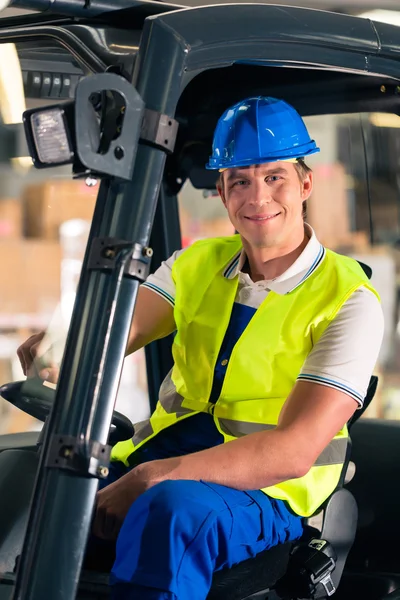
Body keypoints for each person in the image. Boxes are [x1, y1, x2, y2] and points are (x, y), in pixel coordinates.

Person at [18, 96, 384, 600]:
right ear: (221, 191)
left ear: (305, 183)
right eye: (240, 180)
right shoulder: (197, 263)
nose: (257, 196)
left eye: (274, 176)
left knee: (169, 514)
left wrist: (150, 477)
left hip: (268, 488)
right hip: (171, 452)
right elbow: (120, 328)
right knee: (37, 485)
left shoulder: (349, 301)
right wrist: (63, 345)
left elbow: (294, 451)